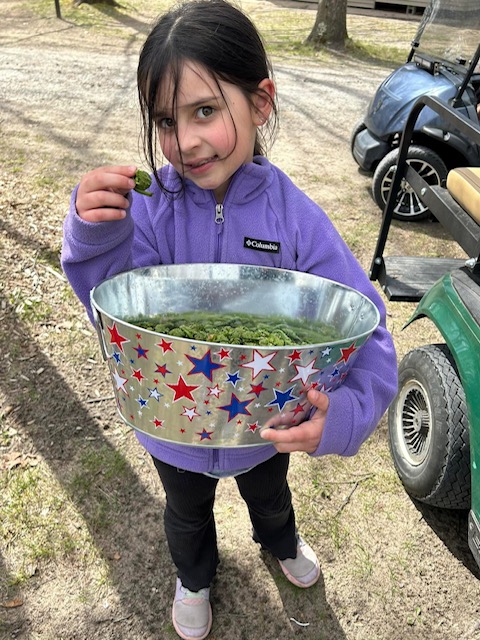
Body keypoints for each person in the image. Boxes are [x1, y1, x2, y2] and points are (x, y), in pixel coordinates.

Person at [61, 1, 398, 638]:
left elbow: (365, 325)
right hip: (173, 427)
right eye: (166, 119)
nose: (185, 140)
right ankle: (194, 577)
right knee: (186, 515)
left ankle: (282, 543)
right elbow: (116, 311)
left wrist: (347, 413)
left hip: (265, 427)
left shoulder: (296, 221)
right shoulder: (154, 210)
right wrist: (95, 236)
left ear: (260, 103)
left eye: (206, 111)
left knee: (269, 498)